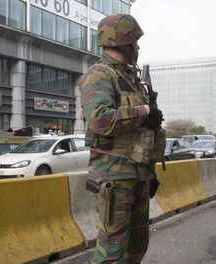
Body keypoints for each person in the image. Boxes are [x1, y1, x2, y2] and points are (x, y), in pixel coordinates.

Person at [79, 14, 165, 263]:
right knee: (111, 251)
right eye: (135, 42)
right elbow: (99, 119)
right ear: (123, 41)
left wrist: (151, 171)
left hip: (137, 173)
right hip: (114, 176)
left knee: (137, 247)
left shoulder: (132, 79)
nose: (138, 47)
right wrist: (144, 112)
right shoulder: (99, 75)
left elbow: (140, 132)